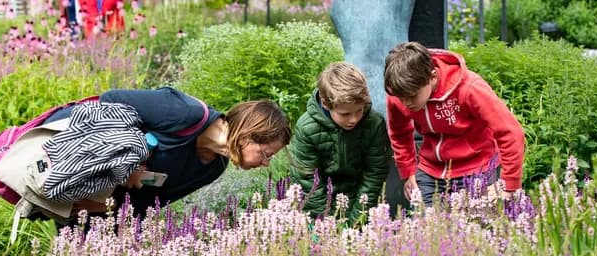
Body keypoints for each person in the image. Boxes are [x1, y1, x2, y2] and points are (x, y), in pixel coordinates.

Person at [45, 86, 291, 224]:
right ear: (249, 135)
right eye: (266, 153)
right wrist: (131, 165)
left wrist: (103, 208)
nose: (266, 163)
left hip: (95, 207)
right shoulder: (184, 113)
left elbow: (151, 201)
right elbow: (110, 101)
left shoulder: (214, 167)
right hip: (74, 166)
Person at [383, 41, 525, 207]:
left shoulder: (470, 88)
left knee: (478, 226)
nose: (405, 103)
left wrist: (509, 185)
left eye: (412, 96)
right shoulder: (400, 92)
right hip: (430, 170)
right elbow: (399, 134)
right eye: (401, 98)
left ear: (432, 77)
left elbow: (510, 133)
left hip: (477, 168)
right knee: (425, 226)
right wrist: (408, 172)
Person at [288, 61, 391, 222]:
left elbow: (374, 174)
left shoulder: (374, 123)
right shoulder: (307, 128)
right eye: (345, 114)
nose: (354, 119)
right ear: (325, 103)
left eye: (359, 110)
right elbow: (308, 181)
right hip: (319, 205)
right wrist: (327, 223)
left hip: (361, 201)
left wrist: (357, 220)